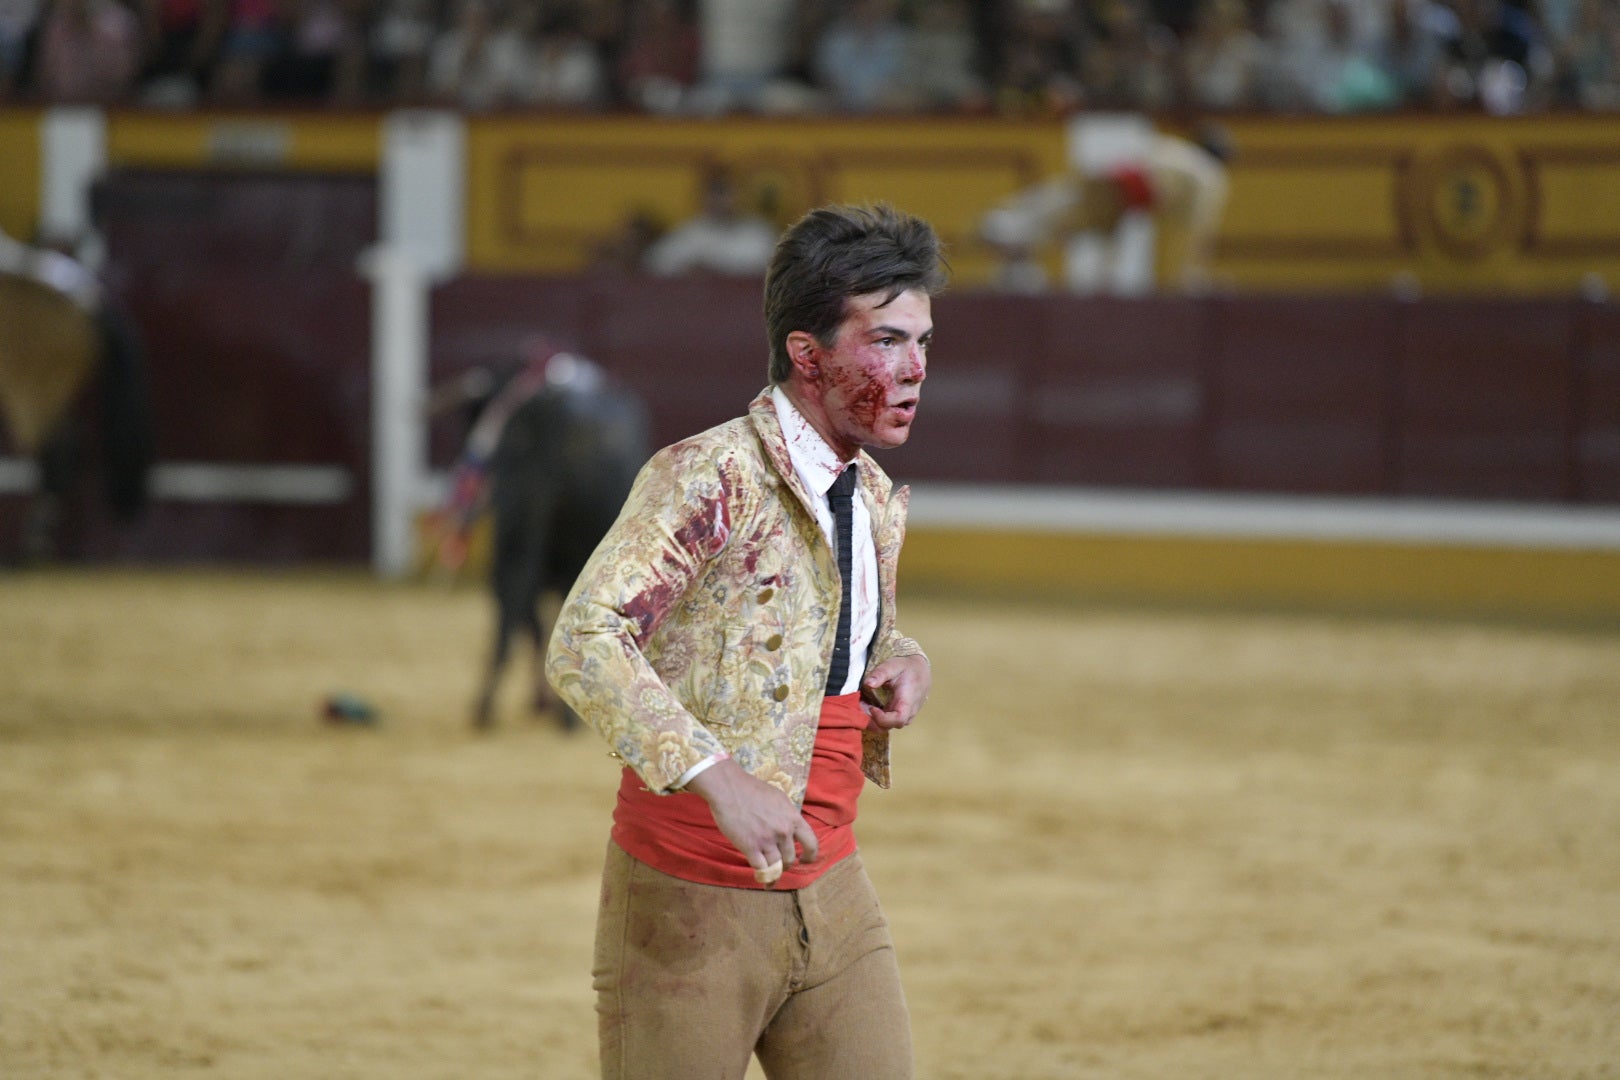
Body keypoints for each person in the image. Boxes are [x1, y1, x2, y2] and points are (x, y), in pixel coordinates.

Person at [546, 202, 943, 1079]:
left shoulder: (869, 492)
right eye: (885, 342)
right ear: (809, 355)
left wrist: (896, 656)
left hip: (834, 892)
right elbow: (585, 638)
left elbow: (811, 628)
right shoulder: (709, 474)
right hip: (688, 902)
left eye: (921, 341)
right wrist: (719, 776)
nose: (915, 369)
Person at [978, 125, 1232, 292]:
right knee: (1071, 220)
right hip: (1127, 190)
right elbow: (1197, 232)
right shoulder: (1209, 175)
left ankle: (1012, 225)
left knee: (1066, 204)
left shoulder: (1177, 147)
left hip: (1113, 173)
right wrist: (1191, 276)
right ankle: (1012, 231)